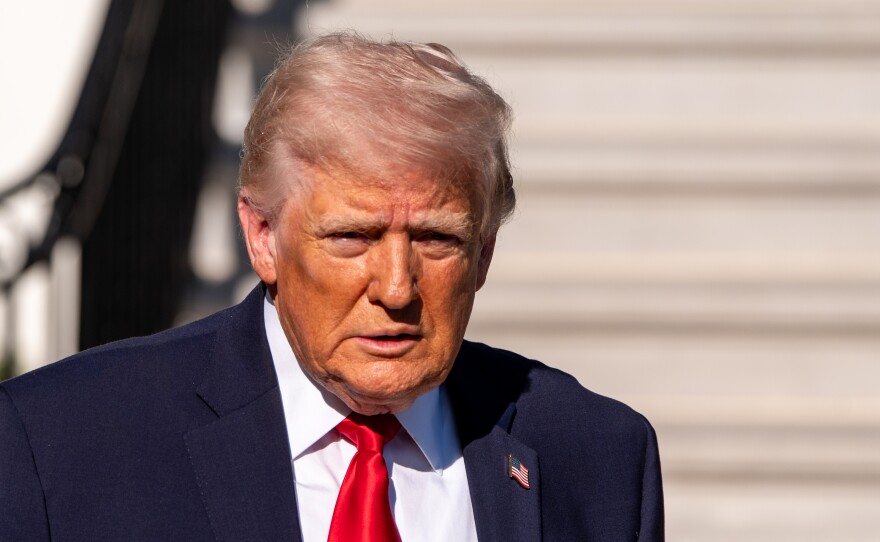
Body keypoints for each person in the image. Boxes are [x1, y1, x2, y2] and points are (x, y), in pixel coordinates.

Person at [0, 32, 664, 541]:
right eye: (353, 238)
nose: (397, 288)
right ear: (263, 237)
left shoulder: (598, 455)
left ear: (484, 254)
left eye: (437, 240)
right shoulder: (62, 444)